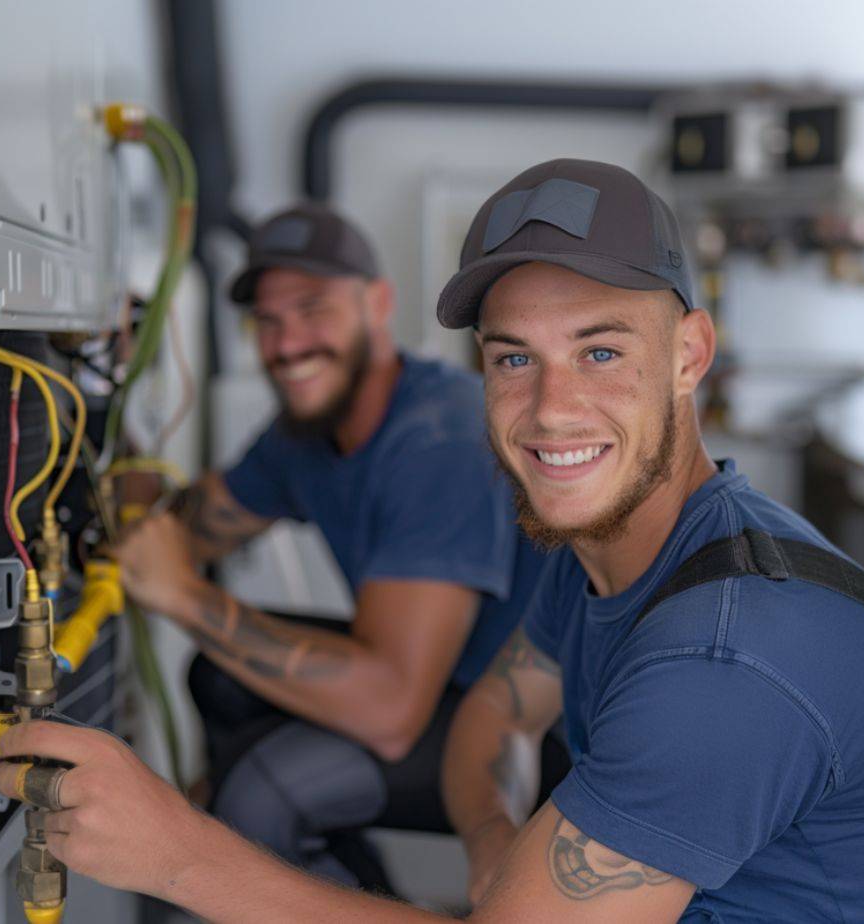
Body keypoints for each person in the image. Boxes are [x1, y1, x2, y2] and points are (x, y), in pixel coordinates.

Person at [0, 160, 864, 922]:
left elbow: (403, 713)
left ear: (688, 354)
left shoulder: (729, 661)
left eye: (599, 351)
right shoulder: (619, 554)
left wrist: (176, 857)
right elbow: (489, 720)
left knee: (253, 802)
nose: (551, 409)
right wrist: (490, 846)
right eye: (514, 359)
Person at [108, 201, 560, 887]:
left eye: (314, 310)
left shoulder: (437, 439)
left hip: (538, 730)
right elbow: (196, 528)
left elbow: (390, 710)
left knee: (262, 791)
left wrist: (185, 597)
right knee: (220, 679)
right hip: (442, 688)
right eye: (268, 320)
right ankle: (358, 891)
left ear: (377, 303)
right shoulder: (306, 429)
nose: (288, 345)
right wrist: (129, 462)